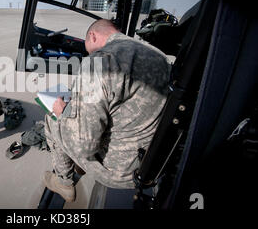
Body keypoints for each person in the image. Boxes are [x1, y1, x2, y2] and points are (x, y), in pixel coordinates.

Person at [43, 19, 171, 202]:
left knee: (51, 118)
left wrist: (62, 113)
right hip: (154, 160)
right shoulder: (157, 54)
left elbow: (84, 146)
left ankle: (64, 182)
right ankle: (79, 167)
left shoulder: (100, 61)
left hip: (120, 172)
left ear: (92, 36)